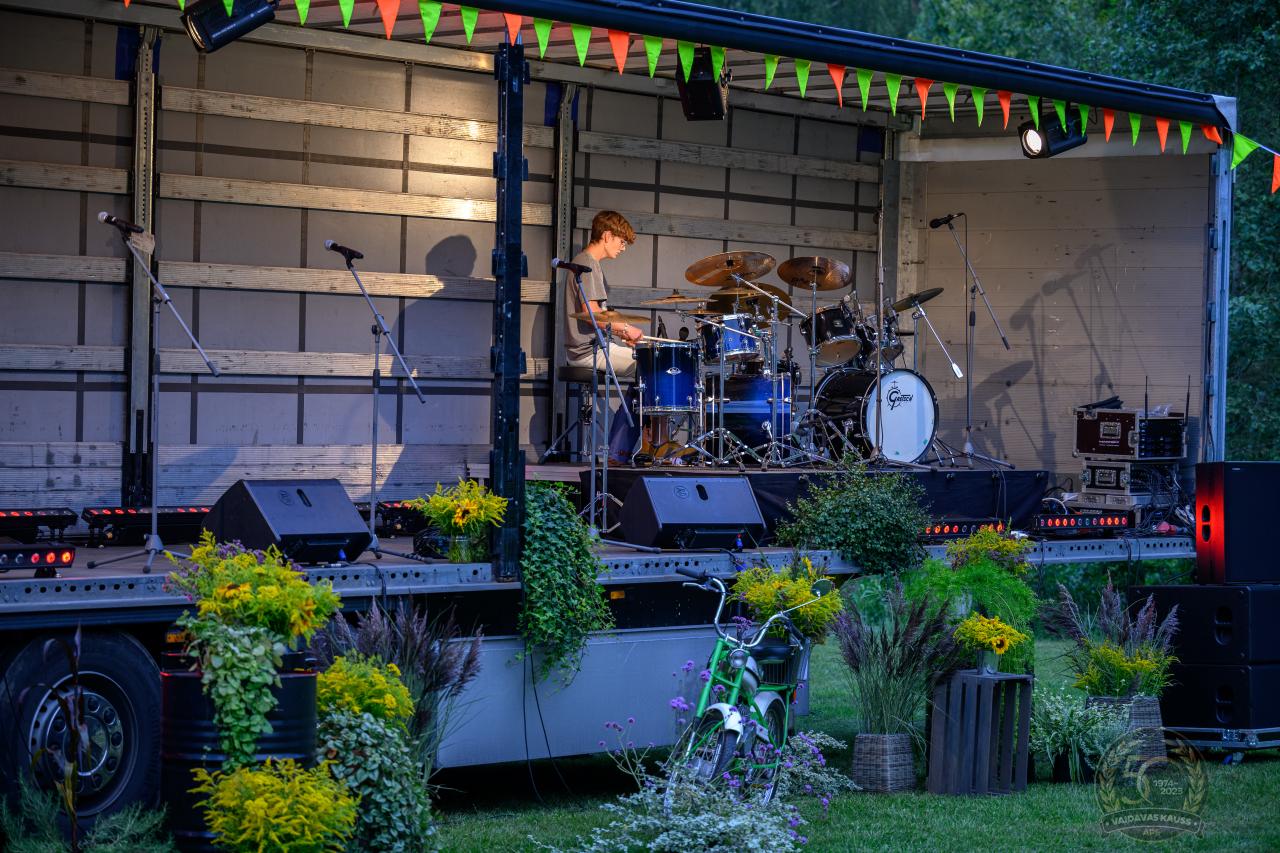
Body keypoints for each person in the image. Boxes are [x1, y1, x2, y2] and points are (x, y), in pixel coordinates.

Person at [562, 211, 644, 463]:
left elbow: (597, 316)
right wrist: (625, 329)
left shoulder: (588, 263)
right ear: (607, 236)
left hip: (595, 347)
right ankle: (620, 450)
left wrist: (619, 333)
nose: (623, 248)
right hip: (587, 352)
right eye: (622, 241)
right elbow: (593, 315)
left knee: (646, 364)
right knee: (648, 367)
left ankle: (622, 447)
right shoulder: (587, 264)